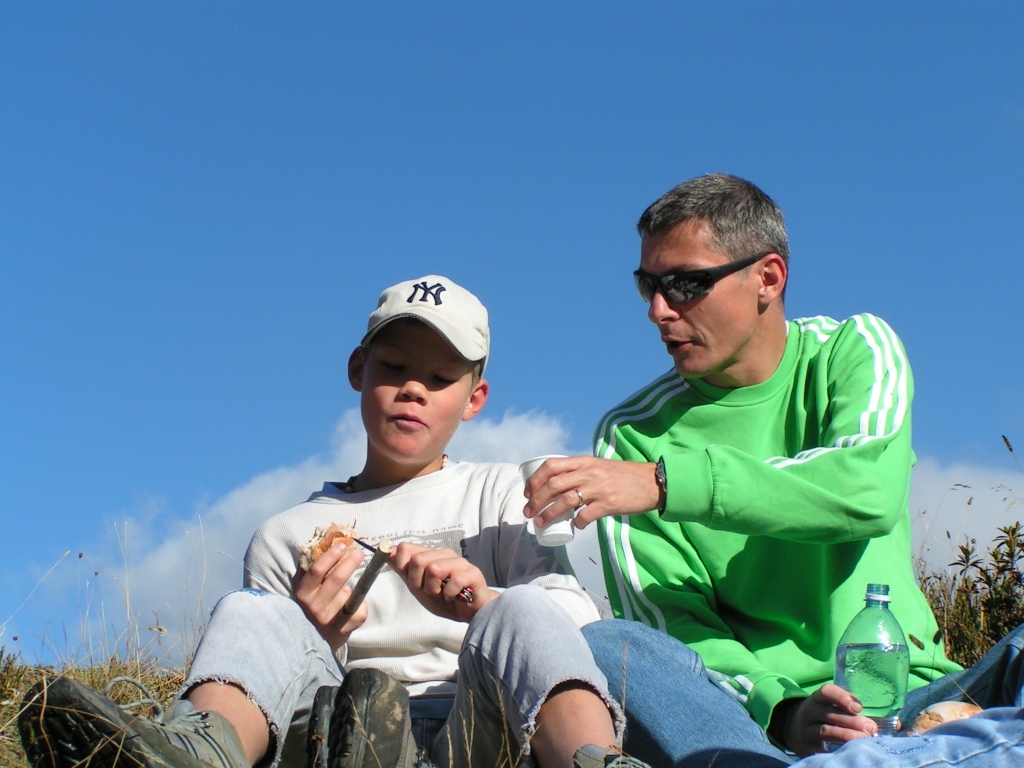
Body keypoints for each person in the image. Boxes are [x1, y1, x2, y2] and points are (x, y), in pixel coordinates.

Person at [20, 275, 650, 768]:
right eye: (394, 367)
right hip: (339, 733)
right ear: (358, 370)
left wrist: (483, 601)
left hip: (476, 728)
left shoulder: (499, 495)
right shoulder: (288, 534)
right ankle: (198, 751)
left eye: (439, 378)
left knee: (525, 607)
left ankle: (593, 758)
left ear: (474, 399)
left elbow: (573, 624)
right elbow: (274, 674)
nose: (413, 390)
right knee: (253, 614)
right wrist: (313, 630)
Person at [522, 175, 1024, 767]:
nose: (659, 310)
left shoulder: (854, 349)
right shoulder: (632, 435)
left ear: (768, 277)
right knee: (613, 647)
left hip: (924, 703)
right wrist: (783, 710)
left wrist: (665, 483)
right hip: (766, 734)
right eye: (647, 286)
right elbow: (676, 624)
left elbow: (865, 491)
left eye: (685, 284)